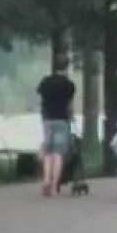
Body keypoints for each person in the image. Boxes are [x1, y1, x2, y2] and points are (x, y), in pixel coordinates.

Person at [37, 58, 76, 197]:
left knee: (47, 152)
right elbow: (70, 104)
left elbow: (41, 100)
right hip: (62, 120)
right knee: (58, 154)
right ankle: (54, 186)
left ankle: (46, 178)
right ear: (66, 68)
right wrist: (72, 118)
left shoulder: (45, 82)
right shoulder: (69, 85)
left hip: (47, 120)